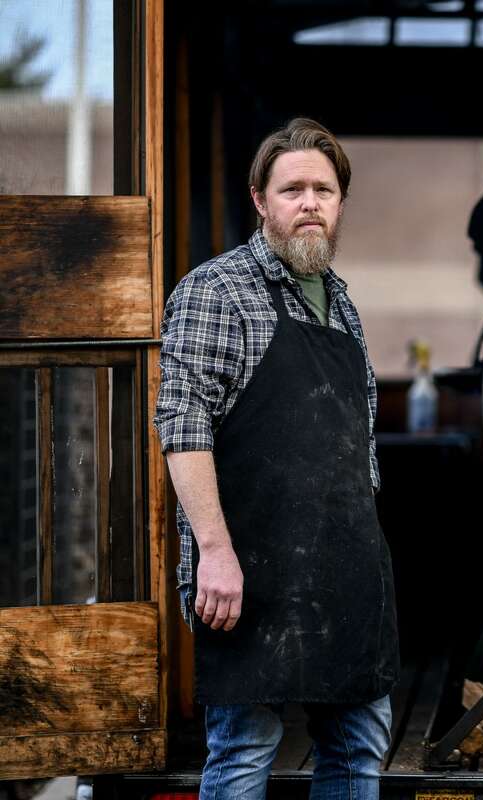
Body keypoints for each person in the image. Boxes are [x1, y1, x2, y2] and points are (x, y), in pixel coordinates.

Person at [155, 117, 400, 800]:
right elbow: (182, 427)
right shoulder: (217, 291)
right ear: (260, 200)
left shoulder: (342, 304)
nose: (310, 203)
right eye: (292, 190)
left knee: (357, 753)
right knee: (244, 755)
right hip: (247, 575)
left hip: (344, 575)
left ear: (341, 202)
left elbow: (359, 454)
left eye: (324, 190)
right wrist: (215, 554)